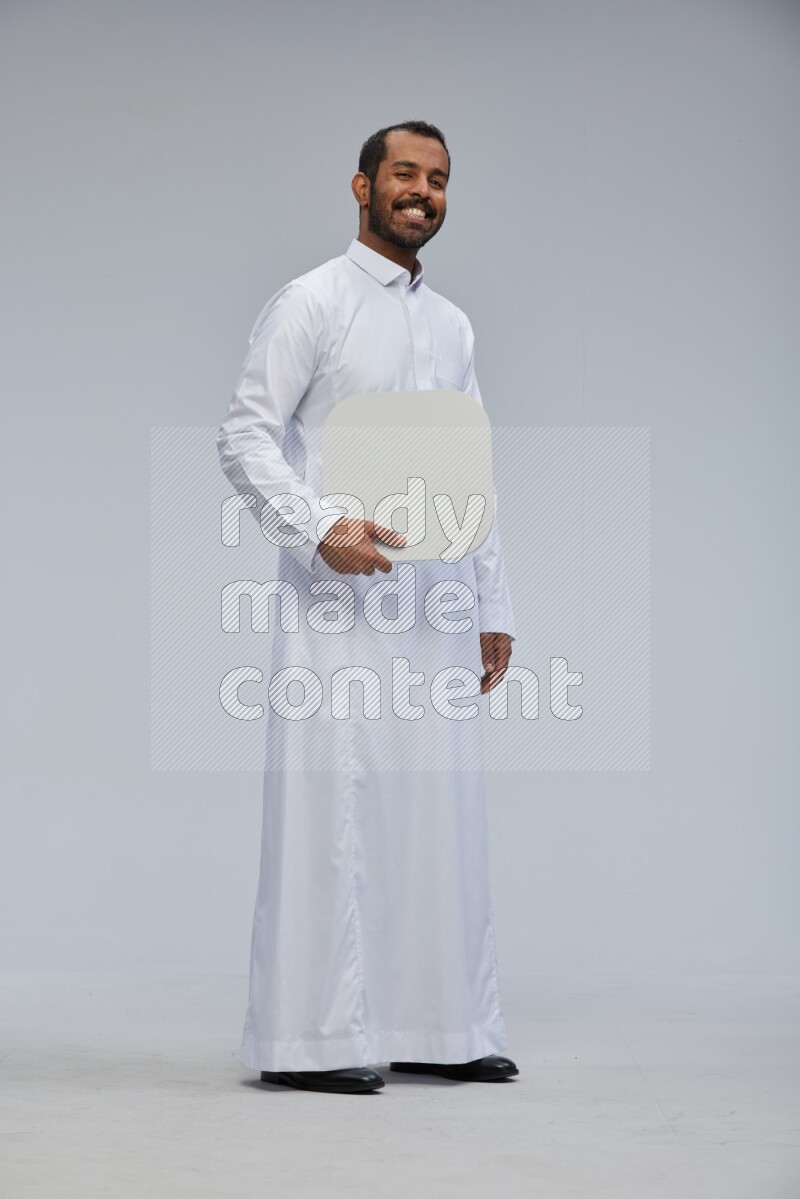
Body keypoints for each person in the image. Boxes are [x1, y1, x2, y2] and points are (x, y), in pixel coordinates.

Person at [216, 120, 518, 1094]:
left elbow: (471, 466)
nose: (420, 191)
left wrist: (489, 601)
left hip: (433, 606)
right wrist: (314, 529)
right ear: (361, 186)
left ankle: (442, 1023)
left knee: (440, 811)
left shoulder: (453, 325)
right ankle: (312, 1038)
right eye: (403, 173)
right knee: (331, 808)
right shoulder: (313, 301)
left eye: (435, 178)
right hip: (338, 604)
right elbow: (246, 436)